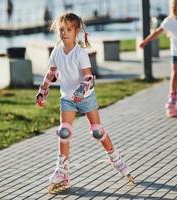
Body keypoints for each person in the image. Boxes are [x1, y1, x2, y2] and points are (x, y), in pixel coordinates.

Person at [35, 12, 134, 194]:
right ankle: (62, 171)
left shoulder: (80, 53)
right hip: (67, 99)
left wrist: (81, 90)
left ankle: (116, 158)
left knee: (97, 131)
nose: (64, 33)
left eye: (69, 29)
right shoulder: (57, 51)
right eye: (61, 29)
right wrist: (43, 90)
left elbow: (89, 77)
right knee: (64, 132)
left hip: (86, 98)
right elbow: (51, 73)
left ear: (77, 31)